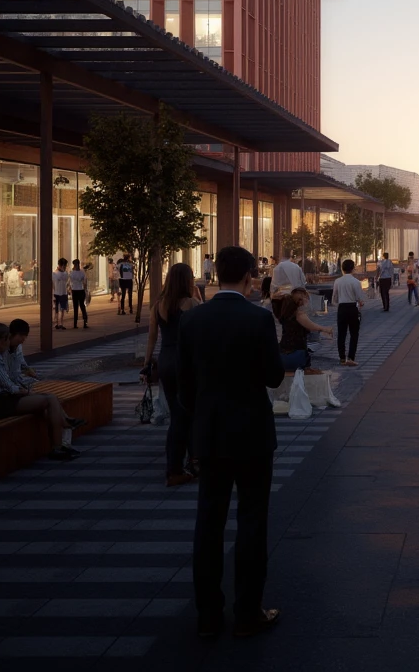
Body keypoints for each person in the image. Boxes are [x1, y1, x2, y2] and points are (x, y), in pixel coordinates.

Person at [178, 245, 284, 639]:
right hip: (253, 435)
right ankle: (248, 610)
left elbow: (184, 390)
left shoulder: (192, 321)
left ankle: (208, 613)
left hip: (209, 435)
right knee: (252, 522)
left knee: (208, 523)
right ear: (249, 277)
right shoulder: (258, 319)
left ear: (216, 274)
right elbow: (274, 377)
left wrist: (199, 423)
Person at [0, 323, 84, 460]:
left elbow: (11, 380)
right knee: (49, 399)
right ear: (1, 340)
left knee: (48, 400)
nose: (9, 343)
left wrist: (26, 390)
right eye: (8, 339)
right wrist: (27, 392)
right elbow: (9, 386)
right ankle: (59, 442)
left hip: (2, 400)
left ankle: (61, 444)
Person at [142, 262, 200, 486]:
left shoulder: (159, 305)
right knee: (189, 413)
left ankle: (181, 464)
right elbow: (200, 334)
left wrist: (147, 365)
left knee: (178, 414)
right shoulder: (191, 304)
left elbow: (152, 337)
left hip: (166, 361)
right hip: (186, 363)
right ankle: (180, 466)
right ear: (187, 280)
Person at [276, 286, 333, 370]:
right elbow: (311, 326)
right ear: (301, 300)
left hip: (283, 352)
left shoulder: (286, 313)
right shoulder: (299, 314)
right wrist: (326, 329)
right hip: (295, 353)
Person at [332, 258, 365, 365]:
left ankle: (342, 357)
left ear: (342, 269)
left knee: (341, 334)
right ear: (353, 268)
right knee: (354, 334)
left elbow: (334, 299)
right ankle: (351, 357)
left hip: (341, 308)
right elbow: (360, 299)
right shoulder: (356, 282)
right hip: (352, 308)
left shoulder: (337, 281)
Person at [5, 320, 38, 388]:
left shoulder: (18, 346)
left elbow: (22, 364)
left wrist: (28, 369)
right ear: (11, 334)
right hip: (7, 388)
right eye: (21, 335)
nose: (23, 339)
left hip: (17, 383)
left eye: (25, 336)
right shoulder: (2, 349)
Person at [69, 258, 89, 328]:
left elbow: (71, 282)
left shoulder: (72, 273)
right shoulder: (81, 272)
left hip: (76, 290)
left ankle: (76, 323)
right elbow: (85, 282)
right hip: (80, 290)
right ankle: (84, 322)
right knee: (81, 306)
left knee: (77, 307)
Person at [52, 257, 70, 331]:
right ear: (60, 265)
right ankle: (56, 323)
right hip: (56, 293)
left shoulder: (66, 273)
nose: (65, 267)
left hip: (63, 292)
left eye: (65, 266)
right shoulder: (54, 274)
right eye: (64, 266)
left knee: (62, 309)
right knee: (56, 309)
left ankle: (61, 323)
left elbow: (67, 282)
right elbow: (52, 285)